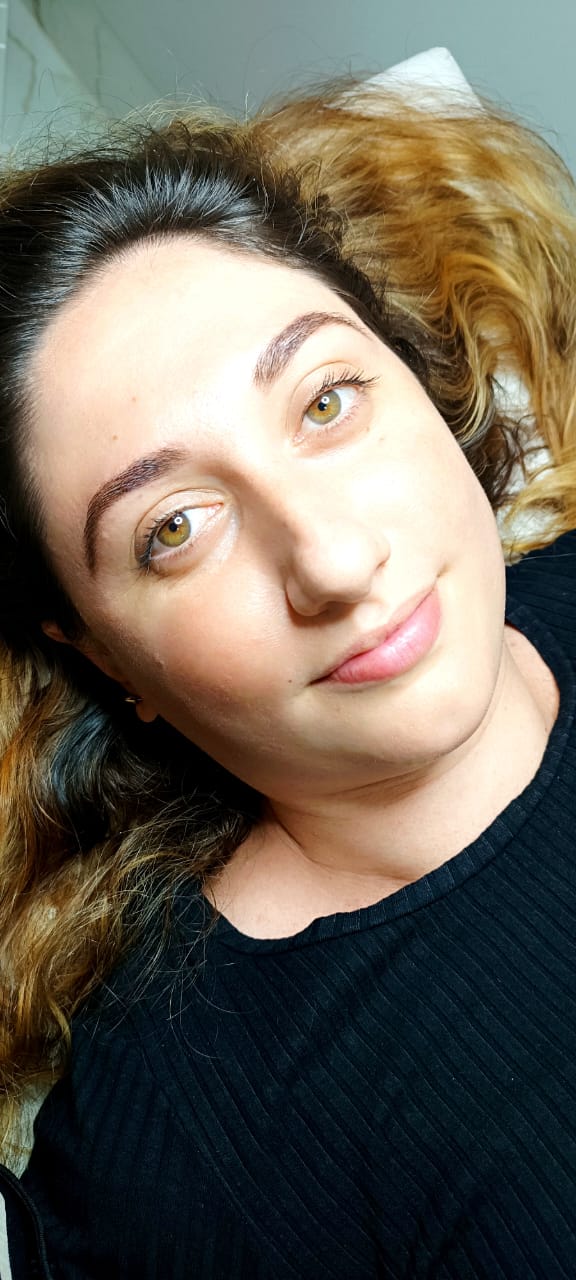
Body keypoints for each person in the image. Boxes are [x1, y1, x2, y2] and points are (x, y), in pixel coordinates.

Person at [0, 75, 576, 1278]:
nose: (331, 559)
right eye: (174, 528)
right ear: (103, 654)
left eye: (325, 401)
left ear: (414, 374)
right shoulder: (169, 1135)